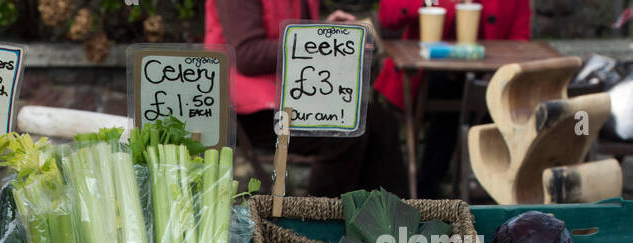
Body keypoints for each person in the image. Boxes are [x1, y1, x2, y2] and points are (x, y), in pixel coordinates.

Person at [207, 0, 407, 198]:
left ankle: (391, 223)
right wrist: (322, 43)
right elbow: (247, 55)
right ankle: (316, 224)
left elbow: (292, 37)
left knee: (381, 122)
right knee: (345, 133)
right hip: (245, 110)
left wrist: (328, 32)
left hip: (292, 97)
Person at [376, 0, 532, 198]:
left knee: (500, 101)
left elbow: (520, 40)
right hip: (425, 81)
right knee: (447, 103)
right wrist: (434, 3)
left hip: (486, 81)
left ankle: (487, 186)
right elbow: (388, 15)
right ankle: (428, 191)